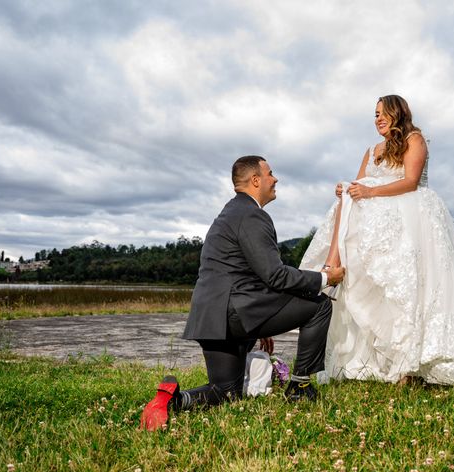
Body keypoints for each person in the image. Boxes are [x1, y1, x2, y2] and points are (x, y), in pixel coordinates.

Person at [300, 95, 454, 387]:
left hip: (412, 216)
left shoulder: (415, 140)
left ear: (397, 113)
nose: (377, 118)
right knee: (377, 279)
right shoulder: (371, 150)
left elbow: (410, 181)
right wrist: (348, 191)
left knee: (413, 288)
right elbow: (359, 183)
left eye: (382, 113)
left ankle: (413, 364)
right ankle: (336, 269)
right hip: (380, 217)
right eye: (374, 114)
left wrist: (369, 193)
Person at [141, 155, 345, 431]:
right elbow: (275, 275)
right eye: (271, 174)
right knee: (319, 304)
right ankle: (299, 387)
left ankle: (174, 401)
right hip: (236, 313)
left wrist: (263, 319)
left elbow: (245, 273)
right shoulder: (252, 215)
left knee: (226, 390)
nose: (275, 179)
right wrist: (324, 277)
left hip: (211, 319)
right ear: (256, 180)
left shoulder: (229, 213)